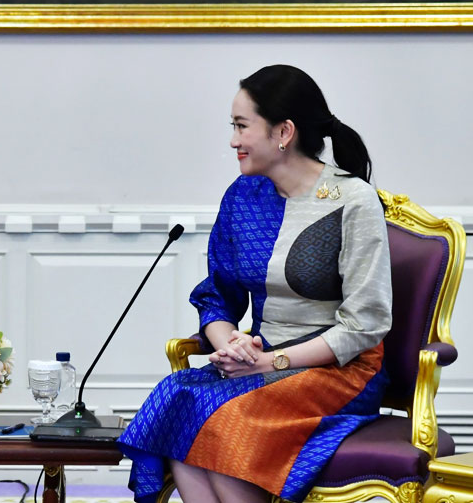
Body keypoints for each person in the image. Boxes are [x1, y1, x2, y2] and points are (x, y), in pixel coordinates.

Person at [117, 65, 392, 503]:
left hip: (339, 372)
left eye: (242, 126)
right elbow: (217, 296)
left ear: (283, 132)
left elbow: (364, 325)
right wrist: (231, 346)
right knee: (177, 405)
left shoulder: (353, 200)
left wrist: (271, 362)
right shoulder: (243, 196)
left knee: (225, 428)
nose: (233, 140)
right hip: (259, 363)